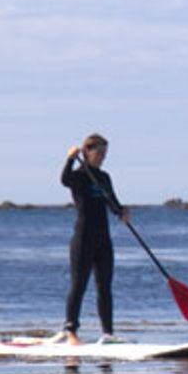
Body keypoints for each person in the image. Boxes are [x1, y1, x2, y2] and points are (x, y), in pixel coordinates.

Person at [54, 134, 130, 345]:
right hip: (83, 239)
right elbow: (64, 180)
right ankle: (71, 331)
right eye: (99, 152)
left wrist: (122, 211)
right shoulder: (78, 176)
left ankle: (107, 333)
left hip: (103, 239)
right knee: (79, 285)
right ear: (87, 152)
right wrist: (70, 158)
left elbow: (113, 202)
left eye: (105, 153)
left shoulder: (104, 177)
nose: (103, 157)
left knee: (104, 286)